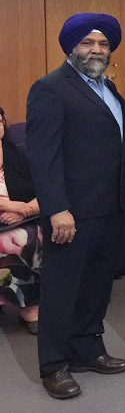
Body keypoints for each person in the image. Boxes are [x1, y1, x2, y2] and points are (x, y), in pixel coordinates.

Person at [26, 13, 125, 399]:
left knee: (97, 285)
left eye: (103, 44)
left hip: (109, 208)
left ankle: (87, 349)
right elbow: (44, 156)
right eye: (88, 43)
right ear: (72, 47)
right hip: (71, 212)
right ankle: (53, 365)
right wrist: (57, 208)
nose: (96, 50)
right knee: (61, 288)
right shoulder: (50, 88)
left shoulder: (110, 89)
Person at [0, 106, 43, 335]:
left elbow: (41, 188)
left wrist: (23, 211)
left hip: (20, 219)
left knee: (35, 236)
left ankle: (30, 306)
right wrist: (7, 205)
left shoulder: (16, 154)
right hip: (6, 218)